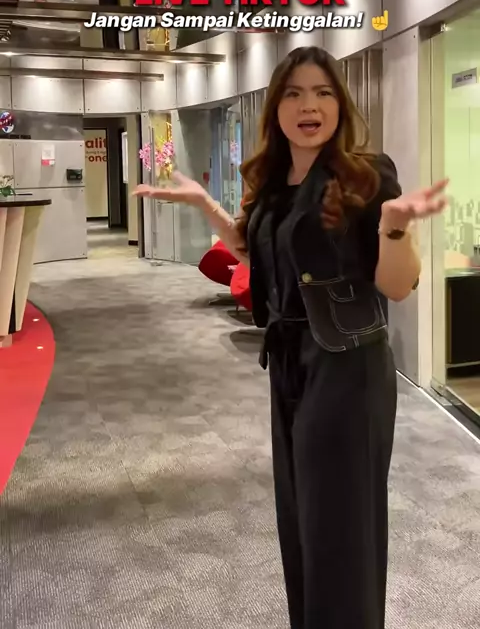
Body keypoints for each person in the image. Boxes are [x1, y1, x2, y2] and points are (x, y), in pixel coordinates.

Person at [134, 46, 447, 629]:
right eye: (295, 93)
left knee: (341, 532)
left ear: (340, 105)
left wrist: (394, 227)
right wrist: (207, 205)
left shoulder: (366, 173)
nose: (310, 106)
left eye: (323, 93)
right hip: (289, 365)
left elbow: (398, 285)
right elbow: (263, 260)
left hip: (348, 371)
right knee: (301, 522)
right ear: (276, 107)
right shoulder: (275, 183)